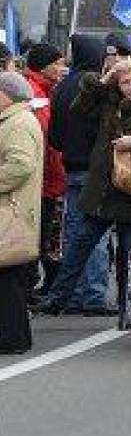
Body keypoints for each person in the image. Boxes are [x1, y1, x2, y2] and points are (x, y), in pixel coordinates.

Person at [41, 58, 131, 317]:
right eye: (125, 82)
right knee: (79, 245)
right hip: (102, 188)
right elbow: (81, 109)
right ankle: (57, 298)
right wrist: (104, 81)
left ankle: (128, 306)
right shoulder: (109, 100)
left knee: (128, 253)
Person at [46, 36, 110, 302]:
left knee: (75, 233)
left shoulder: (61, 88)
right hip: (97, 170)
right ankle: (92, 293)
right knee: (97, 236)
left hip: (70, 168)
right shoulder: (100, 87)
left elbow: (55, 137)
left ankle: (71, 292)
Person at [0, 72, 43, 353]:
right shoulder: (18, 119)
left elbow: (20, 165)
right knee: (9, 280)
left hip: (11, 210)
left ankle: (11, 338)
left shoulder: (16, 123)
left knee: (7, 280)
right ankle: (15, 337)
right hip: (15, 209)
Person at [21, 44, 67, 301]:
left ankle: (39, 285)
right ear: (43, 66)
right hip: (41, 179)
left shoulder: (47, 91)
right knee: (36, 236)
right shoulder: (33, 93)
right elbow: (43, 141)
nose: (62, 69)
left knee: (45, 235)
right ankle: (30, 288)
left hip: (49, 178)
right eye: (58, 63)